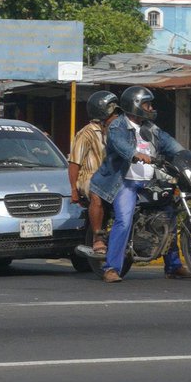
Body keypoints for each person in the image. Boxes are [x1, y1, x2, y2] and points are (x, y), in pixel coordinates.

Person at [88, 85, 191, 283]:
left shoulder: (151, 129)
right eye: (147, 104)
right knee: (124, 220)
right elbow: (120, 145)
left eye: (151, 105)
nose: (151, 108)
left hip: (149, 182)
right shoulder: (118, 126)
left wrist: (188, 155)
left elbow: (170, 144)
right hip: (125, 182)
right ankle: (111, 268)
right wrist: (136, 154)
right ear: (135, 105)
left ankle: (173, 266)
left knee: (169, 215)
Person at [70, 91, 122, 258]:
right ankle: (98, 238)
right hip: (90, 177)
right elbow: (74, 163)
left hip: (111, 176)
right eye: (112, 111)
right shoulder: (86, 133)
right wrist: (73, 189)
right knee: (97, 192)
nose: (116, 115)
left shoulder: (116, 131)